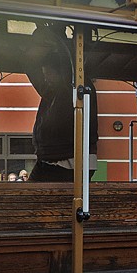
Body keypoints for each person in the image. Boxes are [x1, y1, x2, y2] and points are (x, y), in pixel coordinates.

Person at [27, 54, 99, 182]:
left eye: (49, 74)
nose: (46, 78)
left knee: (33, 194)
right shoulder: (55, 91)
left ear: (61, 72)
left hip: (65, 158)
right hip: (55, 156)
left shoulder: (71, 86)